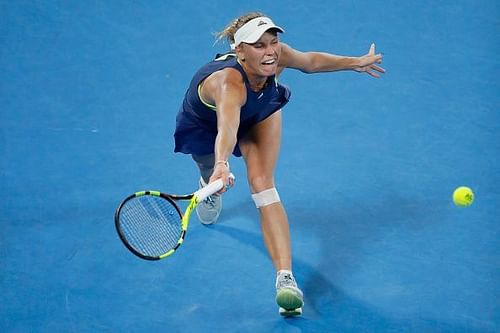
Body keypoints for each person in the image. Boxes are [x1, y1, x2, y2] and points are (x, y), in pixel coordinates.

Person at [173, 12, 384, 316]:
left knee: (262, 185)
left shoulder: (276, 55)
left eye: (273, 42)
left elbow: (310, 62)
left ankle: (285, 279)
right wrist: (221, 163)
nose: (270, 51)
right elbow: (227, 127)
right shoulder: (228, 83)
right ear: (239, 50)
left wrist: (356, 62)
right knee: (208, 167)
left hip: (258, 113)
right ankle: (208, 183)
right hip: (208, 123)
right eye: (258, 45)